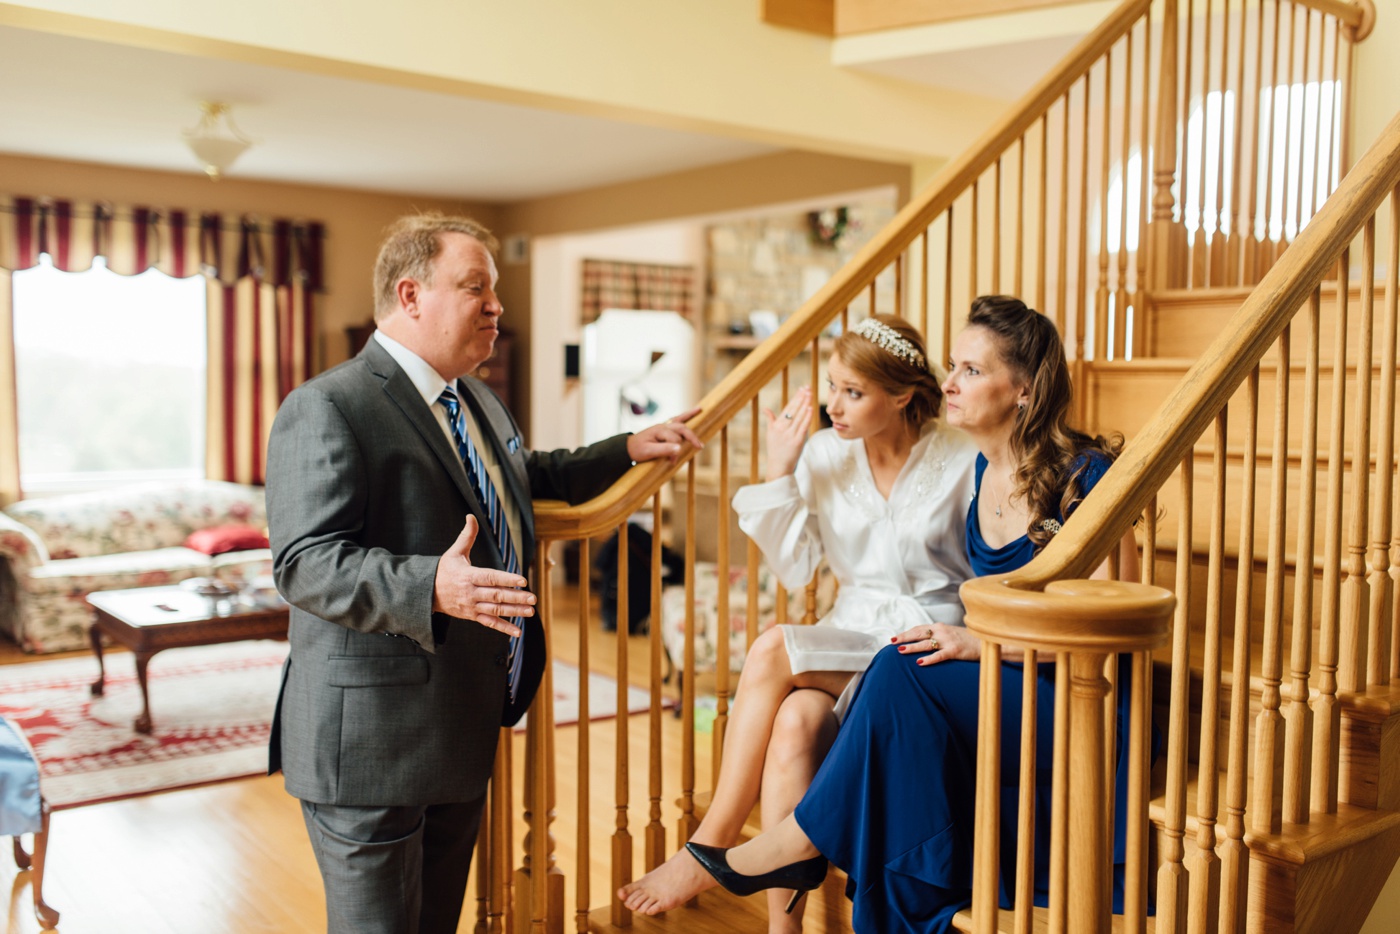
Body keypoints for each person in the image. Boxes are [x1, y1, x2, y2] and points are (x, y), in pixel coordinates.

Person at [628, 295, 1143, 933]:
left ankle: (785, 842)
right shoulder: (985, 473)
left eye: (972, 371)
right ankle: (784, 905)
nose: (949, 381)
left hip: (1068, 691)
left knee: (893, 663)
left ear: (1025, 390)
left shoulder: (1084, 477)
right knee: (799, 717)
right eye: (952, 365)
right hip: (984, 669)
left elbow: (1114, 623)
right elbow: (810, 562)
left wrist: (977, 643)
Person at [264, 212, 701, 934]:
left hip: (457, 726)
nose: (497, 306)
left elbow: (522, 477)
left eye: (492, 290)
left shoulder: (475, 399)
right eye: (476, 288)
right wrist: (428, 585)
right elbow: (304, 563)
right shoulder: (328, 405)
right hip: (368, 742)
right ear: (411, 296)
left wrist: (627, 447)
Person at [620, 314, 978, 930]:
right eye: (831, 386)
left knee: (771, 649)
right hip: (851, 632)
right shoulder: (820, 454)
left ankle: (711, 845)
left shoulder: (963, 457)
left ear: (901, 395)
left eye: (853, 392)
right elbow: (797, 571)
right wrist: (778, 470)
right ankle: (784, 929)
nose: (833, 406)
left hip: (925, 645)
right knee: (793, 723)